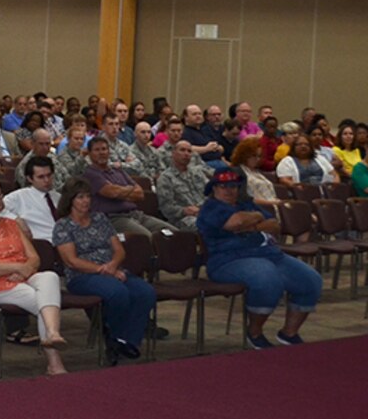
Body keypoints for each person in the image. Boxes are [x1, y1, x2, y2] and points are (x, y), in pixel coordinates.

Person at [197, 167, 321, 350]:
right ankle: (254, 333)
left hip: (269, 254)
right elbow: (236, 222)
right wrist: (257, 218)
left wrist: (253, 223)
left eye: (233, 186)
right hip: (228, 260)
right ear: (214, 188)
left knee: (310, 279)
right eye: (223, 186)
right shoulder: (210, 208)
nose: (228, 190)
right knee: (267, 279)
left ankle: (289, 333)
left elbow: (274, 225)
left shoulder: (246, 204)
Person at [0, 177, 68, 377]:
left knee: (50, 277)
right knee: (45, 302)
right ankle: (54, 361)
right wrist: (17, 268)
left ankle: (52, 333)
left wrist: (25, 270)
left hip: (22, 277)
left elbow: (34, 257)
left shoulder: (12, 224)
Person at [53, 179, 156, 361]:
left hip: (113, 269)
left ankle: (126, 340)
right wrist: (104, 269)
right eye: (80, 197)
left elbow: (119, 250)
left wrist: (113, 265)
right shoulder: (63, 225)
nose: (85, 201)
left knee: (145, 292)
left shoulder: (100, 219)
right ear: (70, 200)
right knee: (117, 293)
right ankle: (115, 336)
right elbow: (71, 261)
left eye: (87, 197)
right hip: (82, 275)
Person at [82, 135, 177, 240]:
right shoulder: (90, 174)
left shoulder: (118, 171)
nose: (102, 153)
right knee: (146, 238)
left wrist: (119, 191)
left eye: (104, 149)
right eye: (97, 150)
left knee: (174, 233)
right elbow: (111, 193)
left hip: (136, 214)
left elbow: (140, 194)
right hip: (113, 218)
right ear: (90, 154)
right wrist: (129, 189)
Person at [155, 141, 210, 230]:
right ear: (173, 153)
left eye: (189, 151)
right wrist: (184, 210)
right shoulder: (165, 178)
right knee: (205, 225)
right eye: (182, 150)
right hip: (183, 218)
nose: (186, 154)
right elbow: (166, 207)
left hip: (205, 211)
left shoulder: (198, 173)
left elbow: (211, 194)